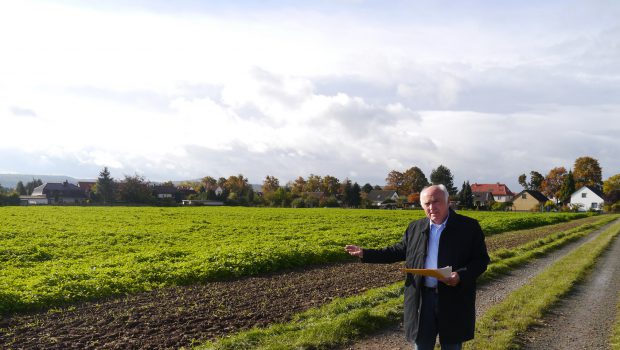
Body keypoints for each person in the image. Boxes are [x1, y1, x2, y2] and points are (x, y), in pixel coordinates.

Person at [345, 184, 489, 350]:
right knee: (421, 345)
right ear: (422, 206)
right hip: (422, 299)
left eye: (436, 201)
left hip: (453, 298)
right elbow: (397, 251)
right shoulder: (415, 227)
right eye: (427, 204)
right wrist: (365, 253)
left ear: (448, 201)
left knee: (452, 345)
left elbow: (481, 260)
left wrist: (460, 276)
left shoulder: (468, 227)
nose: (432, 207)